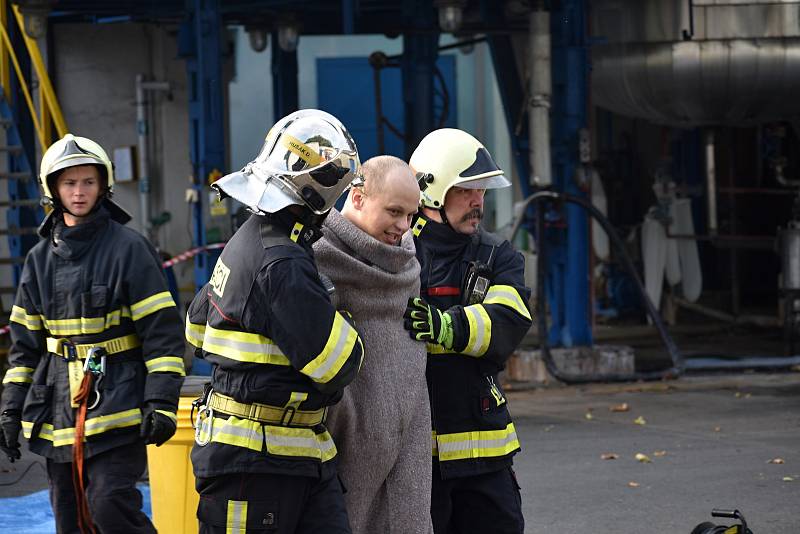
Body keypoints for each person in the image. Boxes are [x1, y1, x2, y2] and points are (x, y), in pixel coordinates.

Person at [185, 109, 365, 534]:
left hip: (290, 457)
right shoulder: (282, 261)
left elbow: (196, 328)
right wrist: (339, 314)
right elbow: (340, 365)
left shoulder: (250, 237)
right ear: (316, 185)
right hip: (259, 464)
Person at [0, 134, 186, 533]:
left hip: (118, 408)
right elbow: (24, 350)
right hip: (56, 412)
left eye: (88, 182)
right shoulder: (38, 260)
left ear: (104, 186)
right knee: (69, 518)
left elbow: (162, 336)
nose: (79, 192)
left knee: (109, 506)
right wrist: (10, 410)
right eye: (69, 183)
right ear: (53, 189)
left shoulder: (130, 249)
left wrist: (161, 401)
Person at [404, 128, 532, 534]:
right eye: (466, 190)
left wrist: (446, 326)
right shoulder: (396, 252)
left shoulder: (498, 256)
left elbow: (507, 323)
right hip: (415, 460)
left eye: (482, 191)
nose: (478, 201)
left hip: (484, 455)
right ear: (433, 191)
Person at [314, 155, 433, 534]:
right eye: (394, 211)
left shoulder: (408, 263)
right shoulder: (316, 258)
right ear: (358, 197)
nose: (403, 227)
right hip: (342, 443)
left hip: (409, 435)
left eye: (411, 215)